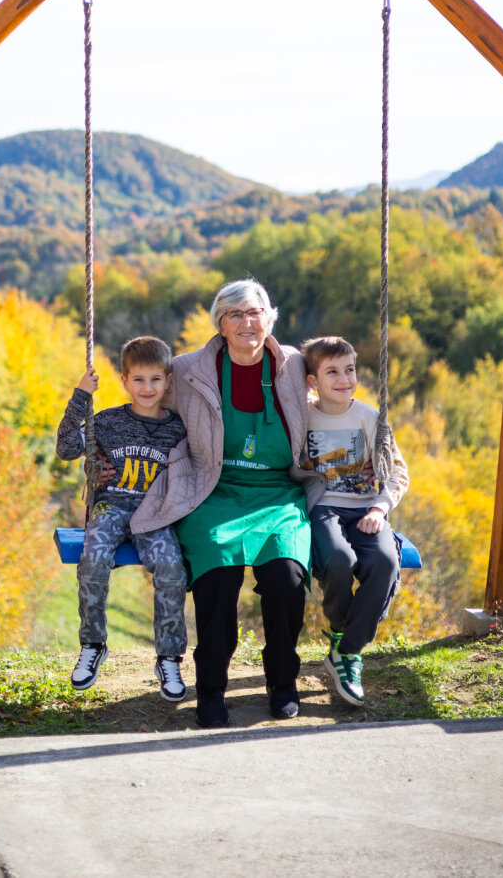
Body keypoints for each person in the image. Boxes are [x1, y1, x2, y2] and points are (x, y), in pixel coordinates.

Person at [131, 279, 322, 729]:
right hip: (212, 490)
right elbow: (147, 408)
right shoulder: (188, 369)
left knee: (286, 577)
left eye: (254, 312)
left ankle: (282, 682)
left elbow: (339, 391)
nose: (246, 322)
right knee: (217, 576)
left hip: (279, 493)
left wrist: (363, 452)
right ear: (220, 324)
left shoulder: (293, 365)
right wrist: (114, 459)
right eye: (235, 314)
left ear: (268, 318)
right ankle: (212, 687)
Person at [55, 335, 189, 703]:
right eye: (139, 380)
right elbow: (66, 448)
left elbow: (197, 468)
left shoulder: (178, 429)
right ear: (125, 381)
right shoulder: (107, 422)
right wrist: (80, 397)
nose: (147, 388)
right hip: (110, 507)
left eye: (155, 379)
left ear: (168, 381)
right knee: (93, 559)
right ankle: (93, 644)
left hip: (154, 514)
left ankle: (168, 656)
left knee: (171, 566)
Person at [300, 335, 410, 707]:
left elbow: (397, 472)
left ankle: (346, 651)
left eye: (349, 370)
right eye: (332, 372)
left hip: (365, 508)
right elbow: (288, 465)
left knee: (385, 563)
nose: (344, 379)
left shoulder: (369, 417)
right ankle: (341, 634)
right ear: (313, 381)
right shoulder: (302, 418)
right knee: (339, 561)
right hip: (324, 507)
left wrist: (379, 508)